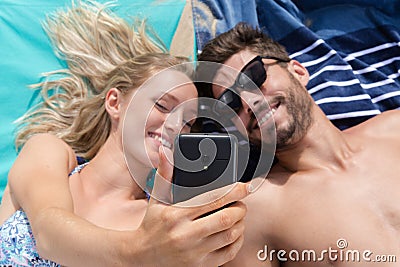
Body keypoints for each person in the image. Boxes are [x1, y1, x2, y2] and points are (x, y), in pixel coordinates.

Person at [0, 3, 251, 266]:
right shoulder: (49, 153)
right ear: (114, 103)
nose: (175, 125)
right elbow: (48, 232)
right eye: (163, 105)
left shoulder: (164, 226)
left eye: (187, 122)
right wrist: (140, 251)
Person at [197, 22, 400, 266]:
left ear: (298, 72)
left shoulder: (394, 130)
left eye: (254, 77)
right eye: (230, 104)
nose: (250, 102)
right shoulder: (254, 215)